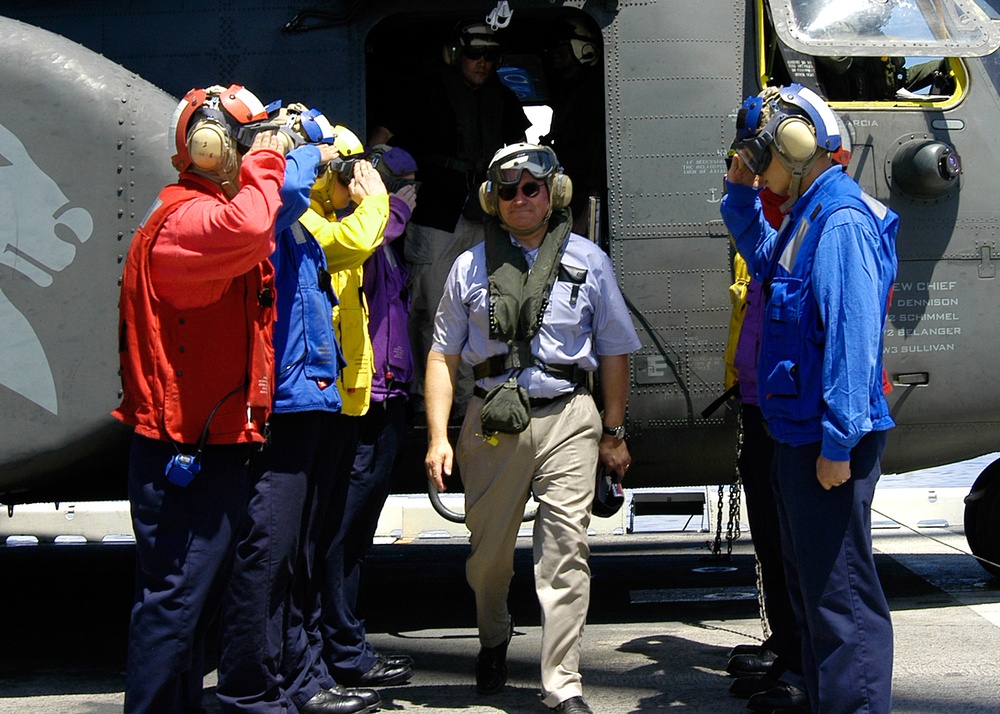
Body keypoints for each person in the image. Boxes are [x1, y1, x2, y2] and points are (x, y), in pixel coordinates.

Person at [423, 143, 641, 714]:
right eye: (508, 190)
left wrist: (613, 432)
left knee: (566, 550)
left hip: (569, 416)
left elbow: (615, 351)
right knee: (488, 558)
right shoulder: (469, 266)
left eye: (532, 188)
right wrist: (439, 436)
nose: (520, 198)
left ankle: (563, 684)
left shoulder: (590, 262)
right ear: (492, 200)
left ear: (553, 193)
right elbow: (443, 356)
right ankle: (493, 636)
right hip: (493, 422)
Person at [720, 84, 898, 714]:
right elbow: (762, 258)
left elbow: (853, 340)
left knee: (841, 599)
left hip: (825, 442)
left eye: (760, 154)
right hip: (797, 436)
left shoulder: (841, 222)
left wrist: (839, 442)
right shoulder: (805, 215)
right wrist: (739, 191)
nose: (757, 168)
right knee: (811, 592)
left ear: (795, 146)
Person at [113, 83, 288, 713]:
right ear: (213, 146)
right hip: (184, 453)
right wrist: (269, 162)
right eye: (245, 140)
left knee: (187, 610)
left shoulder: (194, 214)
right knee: (174, 608)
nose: (258, 151)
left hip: (207, 447)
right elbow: (252, 224)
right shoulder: (187, 221)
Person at [215, 109, 379, 714]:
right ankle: (251, 691)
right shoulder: (271, 210)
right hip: (279, 405)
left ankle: (300, 680)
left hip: (310, 397)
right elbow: (283, 187)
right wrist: (306, 135)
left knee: (297, 555)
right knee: (267, 553)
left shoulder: (304, 226)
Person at [368, 20, 530, 409]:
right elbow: (380, 139)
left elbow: (523, 150)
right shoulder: (425, 91)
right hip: (434, 217)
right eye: (475, 53)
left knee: (483, 309)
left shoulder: (503, 98)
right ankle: (426, 398)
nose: (483, 62)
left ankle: (472, 398)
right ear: (457, 54)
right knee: (432, 309)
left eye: (491, 55)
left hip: (487, 216)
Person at [317, 145, 419, 687]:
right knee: (341, 535)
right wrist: (389, 204)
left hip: (388, 395)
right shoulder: (353, 231)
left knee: (354, 537)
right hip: (365, 399)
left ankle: (346, 646)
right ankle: (340, 652)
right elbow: (374, 235)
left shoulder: (374, 234)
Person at [722, 187, 808, 711]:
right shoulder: (765, 225)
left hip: (788, 406)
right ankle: (788, 647)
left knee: (797, 546)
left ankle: (804, 665)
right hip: (760, 399)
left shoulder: (816, 223)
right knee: (774, 541)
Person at [540, 15, 607, 238]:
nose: (557, 63)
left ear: (584, 51)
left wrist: (586, 216)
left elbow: (599, 158)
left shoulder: (596, 95)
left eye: (562, 55)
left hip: (584, 203)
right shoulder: (572, 96)